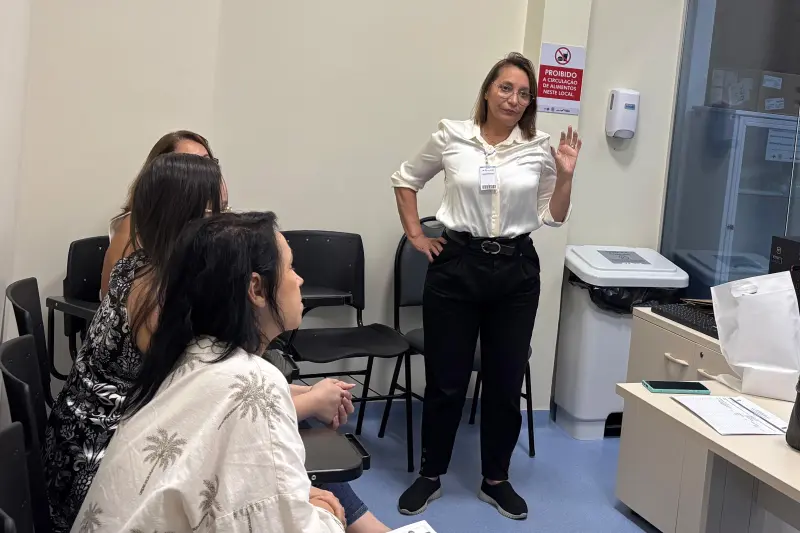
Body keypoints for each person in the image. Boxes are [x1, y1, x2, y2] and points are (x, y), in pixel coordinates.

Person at [391, 52, 582, 520]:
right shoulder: (452, 135)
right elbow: (405, 179)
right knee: (446, 379)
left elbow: (554, 216)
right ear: (488, 90)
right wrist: (417, 236)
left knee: (504, 380)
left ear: (530, 102)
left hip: (516, 271)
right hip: (456, 265)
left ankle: (496, 479)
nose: (513, 99)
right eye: (506, 88)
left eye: (524, 93)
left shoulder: (539, 147)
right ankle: (431, 474)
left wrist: (566, 176)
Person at [71, 212, 346, 532]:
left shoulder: (187, 355)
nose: (299, 280)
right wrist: (328, 513)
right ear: (256, 289)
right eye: (291, 268)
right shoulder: (255, 382)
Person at [43, 153, 227, 532]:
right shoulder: (155, 294)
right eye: (217, 213)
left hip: (84, 442)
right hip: (95, 468)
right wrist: (302, 400)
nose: (227, 226)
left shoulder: (143, 265)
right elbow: (196, 398)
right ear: (187, 216)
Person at [101, 129, 218, 298]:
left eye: (207, 162)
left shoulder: (207, 219)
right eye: (190, 164)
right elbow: (115, 296)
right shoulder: (134, 225)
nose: (204, 171)